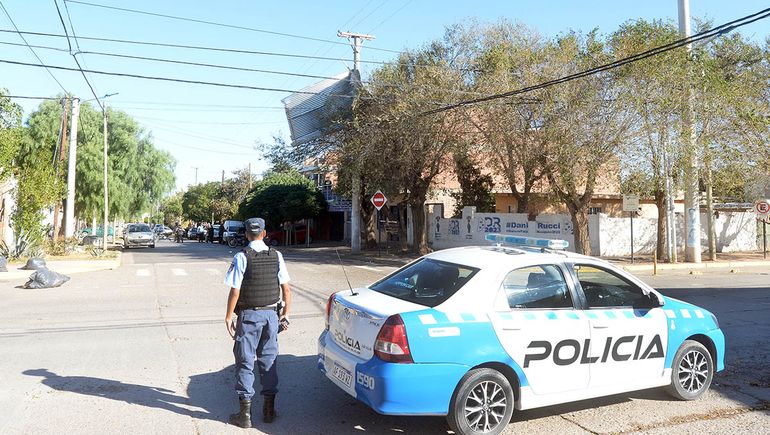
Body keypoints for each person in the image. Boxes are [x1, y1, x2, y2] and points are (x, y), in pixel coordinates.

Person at [224, 217, 292, 428]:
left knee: (245, 360)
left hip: (249, 315)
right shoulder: (277, 255)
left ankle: (245, 416)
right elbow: (287, 289)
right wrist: (286, 314)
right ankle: (269, 410)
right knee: (269, 359)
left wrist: (228, 317)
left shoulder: (242, 256)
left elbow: (235, 291)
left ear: (246, 234)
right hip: (271, 315)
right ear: (264, 233)